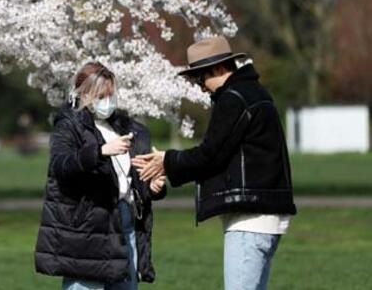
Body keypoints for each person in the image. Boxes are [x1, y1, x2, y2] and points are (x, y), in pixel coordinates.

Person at [132, 36, 296, 290]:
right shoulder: (254, 93)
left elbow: (210, 154)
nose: (199, 87)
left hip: (249, 219)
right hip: (264, 216)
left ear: (219, 68)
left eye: (200, 77)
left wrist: (167, 160)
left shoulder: (233, 98)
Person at [35, 61, 167, 290]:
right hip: (86, 226)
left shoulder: (128, 128)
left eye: (110, 94)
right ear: (82, 94)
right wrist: (100, 152)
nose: (107, 101)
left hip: (125, 221)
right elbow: (61, 165)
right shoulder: (69, 125)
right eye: (100, 96)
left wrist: (154, 186)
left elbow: (133, 178)